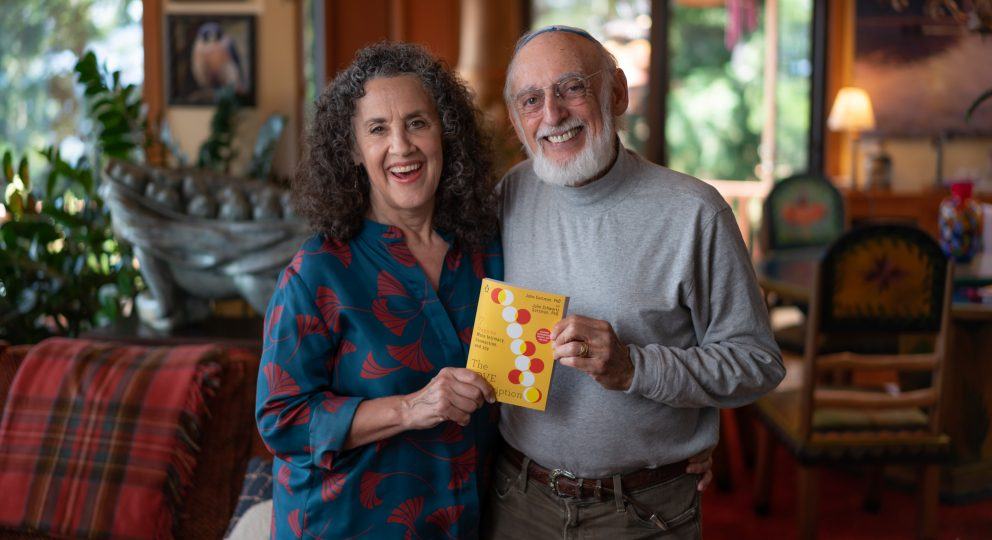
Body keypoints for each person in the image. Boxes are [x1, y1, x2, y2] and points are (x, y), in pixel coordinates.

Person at [484, 26, 785, 539]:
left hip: (643, 511)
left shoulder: (695, 212)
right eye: (531, 100)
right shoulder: (508, 196)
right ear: (516, 121)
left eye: (572, 87)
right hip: (518, 499)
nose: (552, 115)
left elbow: (758, 362)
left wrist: (634, 367)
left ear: (617, 93)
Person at [256, 42, 503, 539]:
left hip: (463, 521)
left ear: (445, 133)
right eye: (377, 129)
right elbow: (281, 419)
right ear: (351, 150)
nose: (402, 146)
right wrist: (412, 409)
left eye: (417, 122)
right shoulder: (317, 273)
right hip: (345, 524)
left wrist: (663, 447)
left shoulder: (485, 253)